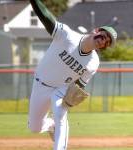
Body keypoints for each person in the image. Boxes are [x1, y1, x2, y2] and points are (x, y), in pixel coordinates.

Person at [28, 0, 117, 150]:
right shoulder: (67, 36)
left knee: (60, 112)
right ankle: (51, 126)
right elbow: (46, 16)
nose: (104, 41)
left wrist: (69, 99)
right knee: (35, 128)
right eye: (104, 36)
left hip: (61, 88)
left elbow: (79, 85)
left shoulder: (93, 62)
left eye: (107, 42)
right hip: (41, 83)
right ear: (96, 30)